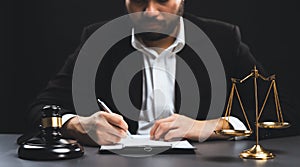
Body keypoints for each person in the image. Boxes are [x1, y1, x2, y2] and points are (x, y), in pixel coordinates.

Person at [25, 0, 297, 146]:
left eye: (163, 0)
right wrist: (78, 125)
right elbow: (41, 108)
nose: (150, 11)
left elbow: (283, 112)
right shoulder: (97, 40)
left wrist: (208, 127)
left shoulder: (221, 39)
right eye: (140, 1)